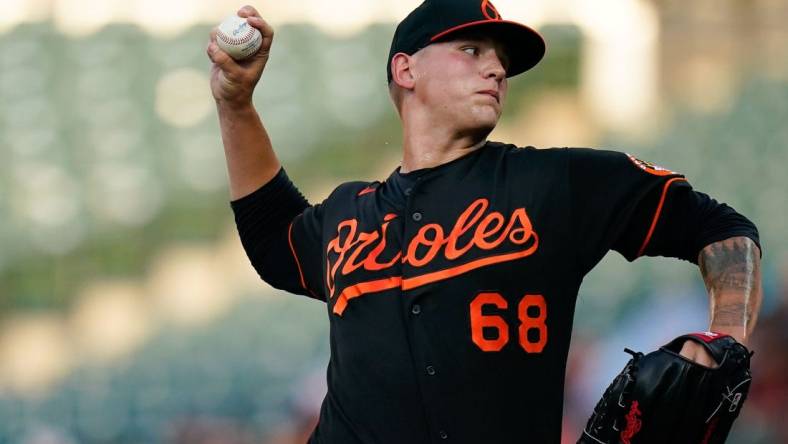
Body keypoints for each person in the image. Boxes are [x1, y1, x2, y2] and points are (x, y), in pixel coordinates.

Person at [206, 0, 763, 442]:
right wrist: (235, 103)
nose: (496, 68)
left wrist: (727, 342)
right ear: (406, 69)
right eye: (471, 50)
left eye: (501, 60)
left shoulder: (556, 181)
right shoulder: (350, 211)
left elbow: (720, 228)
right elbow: (273, 240)